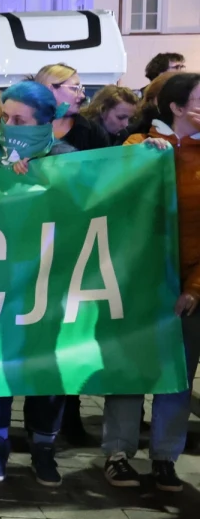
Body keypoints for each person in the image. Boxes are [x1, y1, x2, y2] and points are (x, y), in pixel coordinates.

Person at [0, 80, 76, 485]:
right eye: (5, 118)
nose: (10, 126)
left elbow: (84, 207)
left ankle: (43, 444)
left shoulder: (66, 157)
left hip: (48, 280)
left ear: (43, 123)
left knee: (47, 363)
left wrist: (41, 181)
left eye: (20, 120)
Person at [103, 72, 200, 492]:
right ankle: (119, 452)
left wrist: (195, 286)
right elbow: (111, 192)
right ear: (176, 108)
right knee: (128, 368)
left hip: (189, 285)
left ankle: (165, 456)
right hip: (136, 281)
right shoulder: (137, 145)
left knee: (178, 374)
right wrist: (143, 152)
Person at [33, 64, 108, 442]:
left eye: (81, 87)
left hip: (75, 243)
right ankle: (38, 419)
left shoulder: (90, 132)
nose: (81, 94)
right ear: (49, 90)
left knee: (71, 333)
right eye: (73, 87)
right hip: (32, 244)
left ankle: (71, 416)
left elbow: (112, 173)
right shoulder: (28, 125)